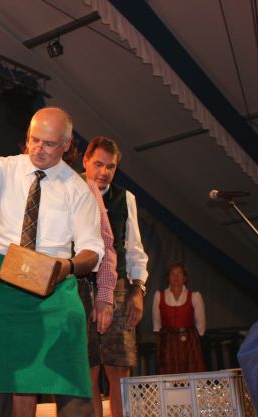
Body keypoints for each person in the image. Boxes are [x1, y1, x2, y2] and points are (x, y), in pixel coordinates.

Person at [0, 107, 105, 417]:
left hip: (54, 285)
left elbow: (92, 251)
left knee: (71, 367)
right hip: (0, 287)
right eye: (34, 139)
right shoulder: (2, 170)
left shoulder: (77, 189)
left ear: (66, 145)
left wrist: (66, 267)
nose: (38, 148)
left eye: (49, 143)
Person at [82, 136, 149, 417]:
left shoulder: (125, 198)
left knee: (118, 367)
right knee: (87, 367)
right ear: (85, 161)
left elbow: (134, 248)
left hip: (118, 286)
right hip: (78, 286)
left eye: (110, 167)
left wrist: (138, 290)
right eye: (98, 164)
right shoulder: (70, 190)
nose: (103, 172)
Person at [62, 143, 118, 417]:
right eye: (99, 164)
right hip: (35, 284)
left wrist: (105, 296)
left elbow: (106, 242)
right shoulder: (26, 179)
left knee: (82, 368)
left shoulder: (85, 187)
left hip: (77, 284)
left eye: (110, 166)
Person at [152, 262, 205, 374]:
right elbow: (157, 325)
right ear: (168, 277)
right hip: (168, 342)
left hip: (189, 342)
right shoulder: (159, 296)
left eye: (179, 274)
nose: (176, 277)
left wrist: (194, 340)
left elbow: (201, 325)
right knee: (169, 371)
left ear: (185, 278)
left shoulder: (194, 296)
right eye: (173, 274)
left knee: (191, 371)